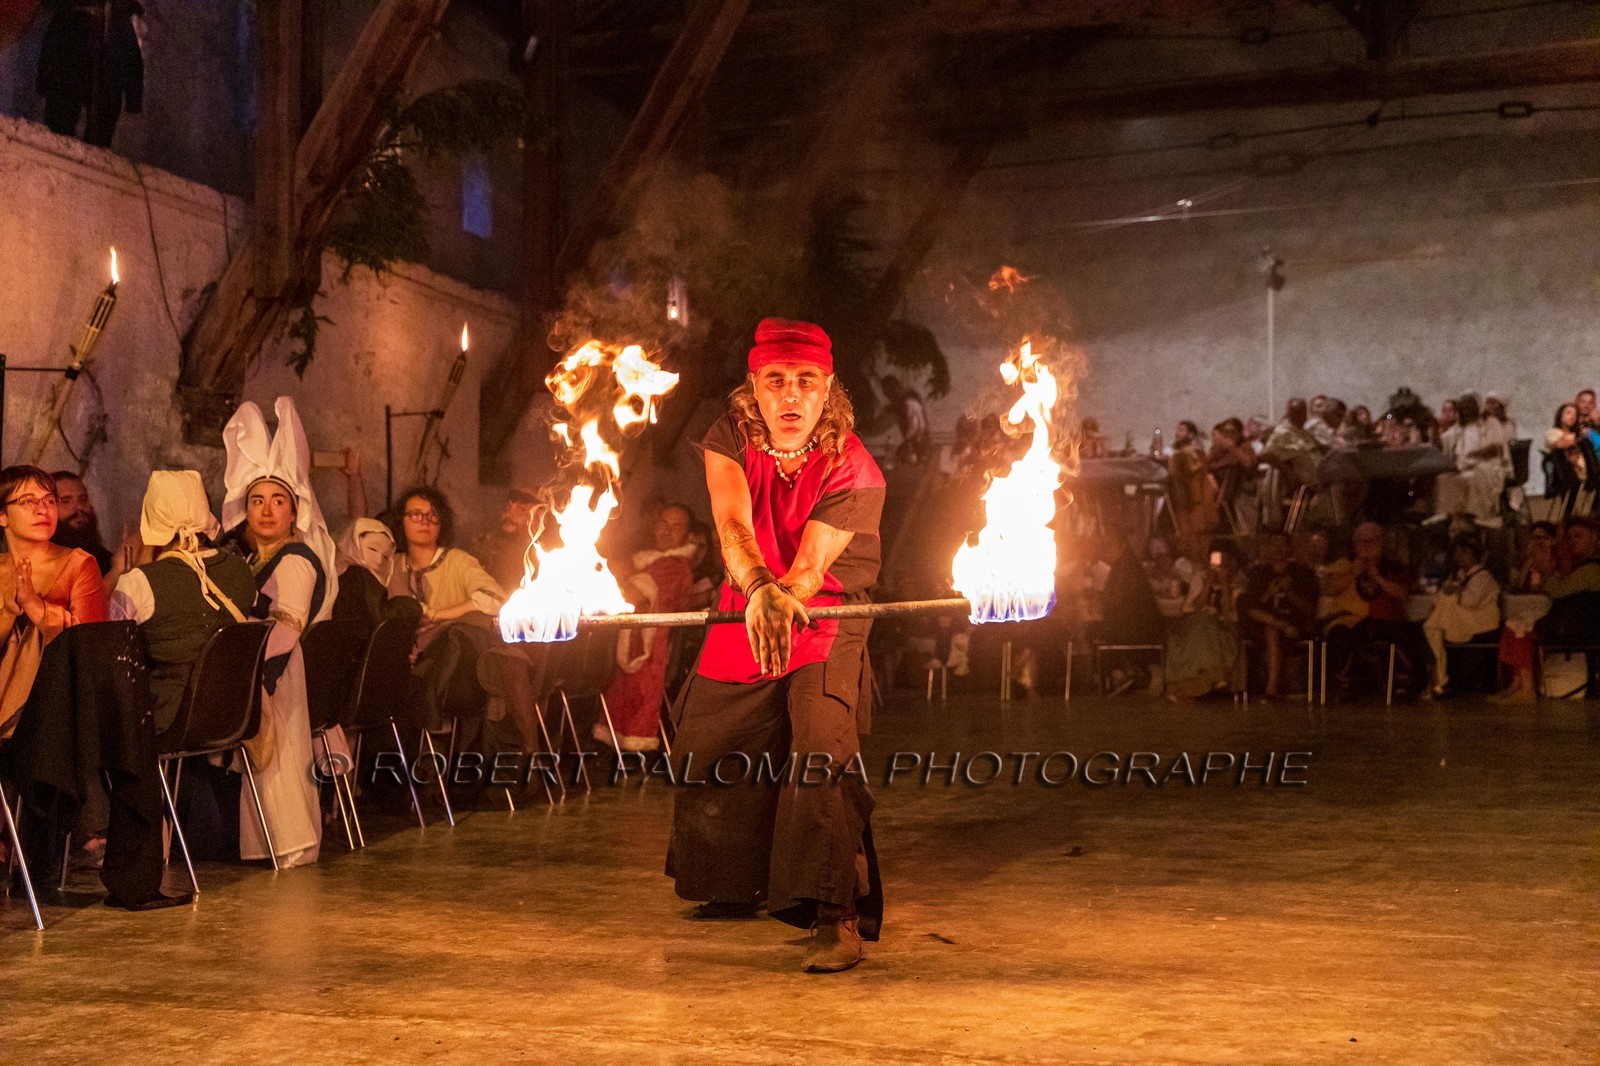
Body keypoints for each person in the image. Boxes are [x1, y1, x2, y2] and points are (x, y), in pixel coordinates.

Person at [668, 318, 886, 974]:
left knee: (820, 742)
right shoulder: (726, 437)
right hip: (747, 595)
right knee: (706, 737)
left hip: (823, 610)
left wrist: (781, 588)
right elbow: (732, 519)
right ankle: (732, 881)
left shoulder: (855, 467)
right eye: (776, 382)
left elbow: (812, 568)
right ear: (754, 390)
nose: (790, 397)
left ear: (827, 390)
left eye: (806, 382)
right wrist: (757, 585)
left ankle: (835, 913)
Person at [222, 398, 340, 868]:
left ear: (294, 511)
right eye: (257, 501)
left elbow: (286, 628)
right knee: (268, 763)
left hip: (277, 672)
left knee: (281, 758)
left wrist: (251, 675)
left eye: (278, 501)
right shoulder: (256, 559)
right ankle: (268, 844)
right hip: (264, 670)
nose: (267, 510)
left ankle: (291, 845)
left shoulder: (293, 560)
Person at [109, 471, 258, 736]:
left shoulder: (139, 582)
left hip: (169, 719)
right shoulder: (241, 570)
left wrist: (121, 570)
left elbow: (107, 648)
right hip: (235, 714)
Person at [0, 465, 108, 739]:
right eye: (28, 501)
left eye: (49, 500)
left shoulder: (79, 564)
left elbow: (91, 650)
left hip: (54, 715)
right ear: (2, 516)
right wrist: (10, 610)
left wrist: (36, 607)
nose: (42, 509)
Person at [597, 504, 698, 753]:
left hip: (652, 650)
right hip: (626, 638)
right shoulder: (645, 559)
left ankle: (628, 752)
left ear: (687, 536)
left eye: (676, 527)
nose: (667, 531)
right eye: (664, 523)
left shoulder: (676, 566)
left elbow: (640, 594)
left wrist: (608, 581)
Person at [1241, 530, 1319, 700]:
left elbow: (1309, 608)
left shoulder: (1302, 573)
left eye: (1282, 544)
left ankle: (1272, 686)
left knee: (1272, 631)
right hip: (1263, 625)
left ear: (1289, 547)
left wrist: (1289, 592)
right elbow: (1251, 606)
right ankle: (1268, 685)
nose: (1278, 548)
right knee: (1269, 628)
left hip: (1293, 623)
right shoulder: (1259, 574)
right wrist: (1269, 593)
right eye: (1274, 544)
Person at [1421, 533, 1501, 697]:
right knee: (1433, 629)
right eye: (1457, 553)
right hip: (1464, 620)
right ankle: (1439, 679)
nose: (1459, 557)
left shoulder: (1483, 577)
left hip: (1479, 623)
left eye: (1464, 552)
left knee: (1435, 623)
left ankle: (1439, 679)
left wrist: (1455, 591)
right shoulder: (1459, 576)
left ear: (1474, 554)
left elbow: (1469, 601)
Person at [1164, 542, 1244, 700]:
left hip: (1223, 626)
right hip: (1196, 622)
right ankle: (1202, 682)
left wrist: (1225, 583)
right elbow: (1196, 605)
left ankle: (1200, 684)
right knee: (1194, 633)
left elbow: (1229, 611)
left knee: (1208, 630)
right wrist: (1208, 583)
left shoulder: (1239, 581)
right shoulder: (1200, 576)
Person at [1494, 521, 1557, 701]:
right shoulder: (1531, 562)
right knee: (1511, 627)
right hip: (1531, 607)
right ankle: (1518, 680)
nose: (1538, 542)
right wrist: (1528, 562)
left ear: (1552, 539)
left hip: (1550, 610)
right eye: (1534, 538)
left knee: (1523, 629)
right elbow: (1520, 586)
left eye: (1543, 538)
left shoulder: (1556, 559)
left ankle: (1528, 686)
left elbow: (1549, 585)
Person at [1434, 394, 1507, 527]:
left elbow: (1497, 447)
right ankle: (1450, 514)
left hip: (1487, 464)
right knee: (1444, 477)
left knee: (1479, 473)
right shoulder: (1459, 427)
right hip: (1463, 466)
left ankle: (1478, 515)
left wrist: (1478, 454)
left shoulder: (1489, 423)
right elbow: (1445, 440)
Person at [49, 470, 113, 575]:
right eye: (66, 501)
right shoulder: (38, 561)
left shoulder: (104, 559)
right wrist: (116, 572)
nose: (79, 507)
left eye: (82, 500)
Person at [473, 489, 536, 592]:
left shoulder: (543, 556)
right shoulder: (486, 544)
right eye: (508, 507)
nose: (509, 515)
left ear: (538, 517)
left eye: (520, 510)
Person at [1545, 402, 1597, 516]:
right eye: (1568, 413)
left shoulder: (1579, 434)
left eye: (1575, 414)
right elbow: (1558, 444)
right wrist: (1578, 439)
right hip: (1567, 476)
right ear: (1560, 415)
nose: (1572, 416)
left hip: (1586, 472)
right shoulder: (1554, 433)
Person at [877, 375, 931, 466]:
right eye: (886, 393)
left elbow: (916, 425)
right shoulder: (902, 402)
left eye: (888, 392)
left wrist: (908, 441)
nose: (887, 396)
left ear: (895, 388)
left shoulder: (909, 402)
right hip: (915, 443)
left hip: (918, 444)